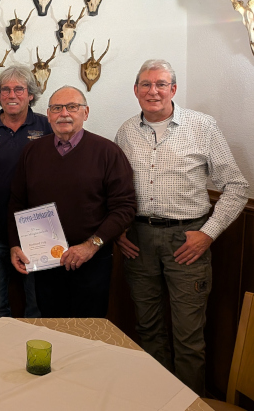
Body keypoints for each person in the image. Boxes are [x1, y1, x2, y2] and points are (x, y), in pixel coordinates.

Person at [114, 59, 249, 395]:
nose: (153, 91)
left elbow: (236, 186)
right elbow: (114, 188)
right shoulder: (126, 131)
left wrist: (208, 234)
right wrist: (117, 230)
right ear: (136, 90)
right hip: (138, 240)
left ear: (173, 89)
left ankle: (189, 404)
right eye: (146, 84)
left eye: (161, 84)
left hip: (187, 241)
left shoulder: (202, 126)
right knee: (148, 330)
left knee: (188, 337)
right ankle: (155, 399)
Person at [8, 86, 136, 318]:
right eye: (57, 108)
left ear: (85, 113)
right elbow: (17, 202)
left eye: (72, 107)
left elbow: (125, 207)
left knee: (89, 329)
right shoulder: (32, 152)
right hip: (45, 261)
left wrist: (91, 245)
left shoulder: (108, 152)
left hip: (92, 260)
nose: (64, 113)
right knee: (51, 326)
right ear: (48, 115)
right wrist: (15, 244)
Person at [0, 65, 51, 319]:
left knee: (38, 304)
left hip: (37, 230)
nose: (12, 95)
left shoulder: (47, 126)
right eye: (5, 90)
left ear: (31, 94)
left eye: (19, 89)